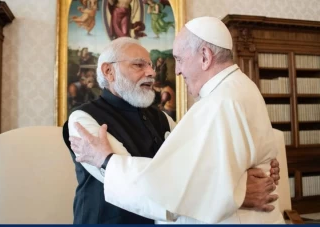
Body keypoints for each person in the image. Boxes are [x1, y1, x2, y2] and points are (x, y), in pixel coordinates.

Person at [70, 17, 285, 224]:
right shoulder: (82, 119)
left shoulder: (174, 113)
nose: (152, 73)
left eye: (178, 60)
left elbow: (184, 174)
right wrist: (235, 191)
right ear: (108, 71)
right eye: (139, 65)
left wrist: (234, 187)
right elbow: (165, 183)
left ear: (205, 57)